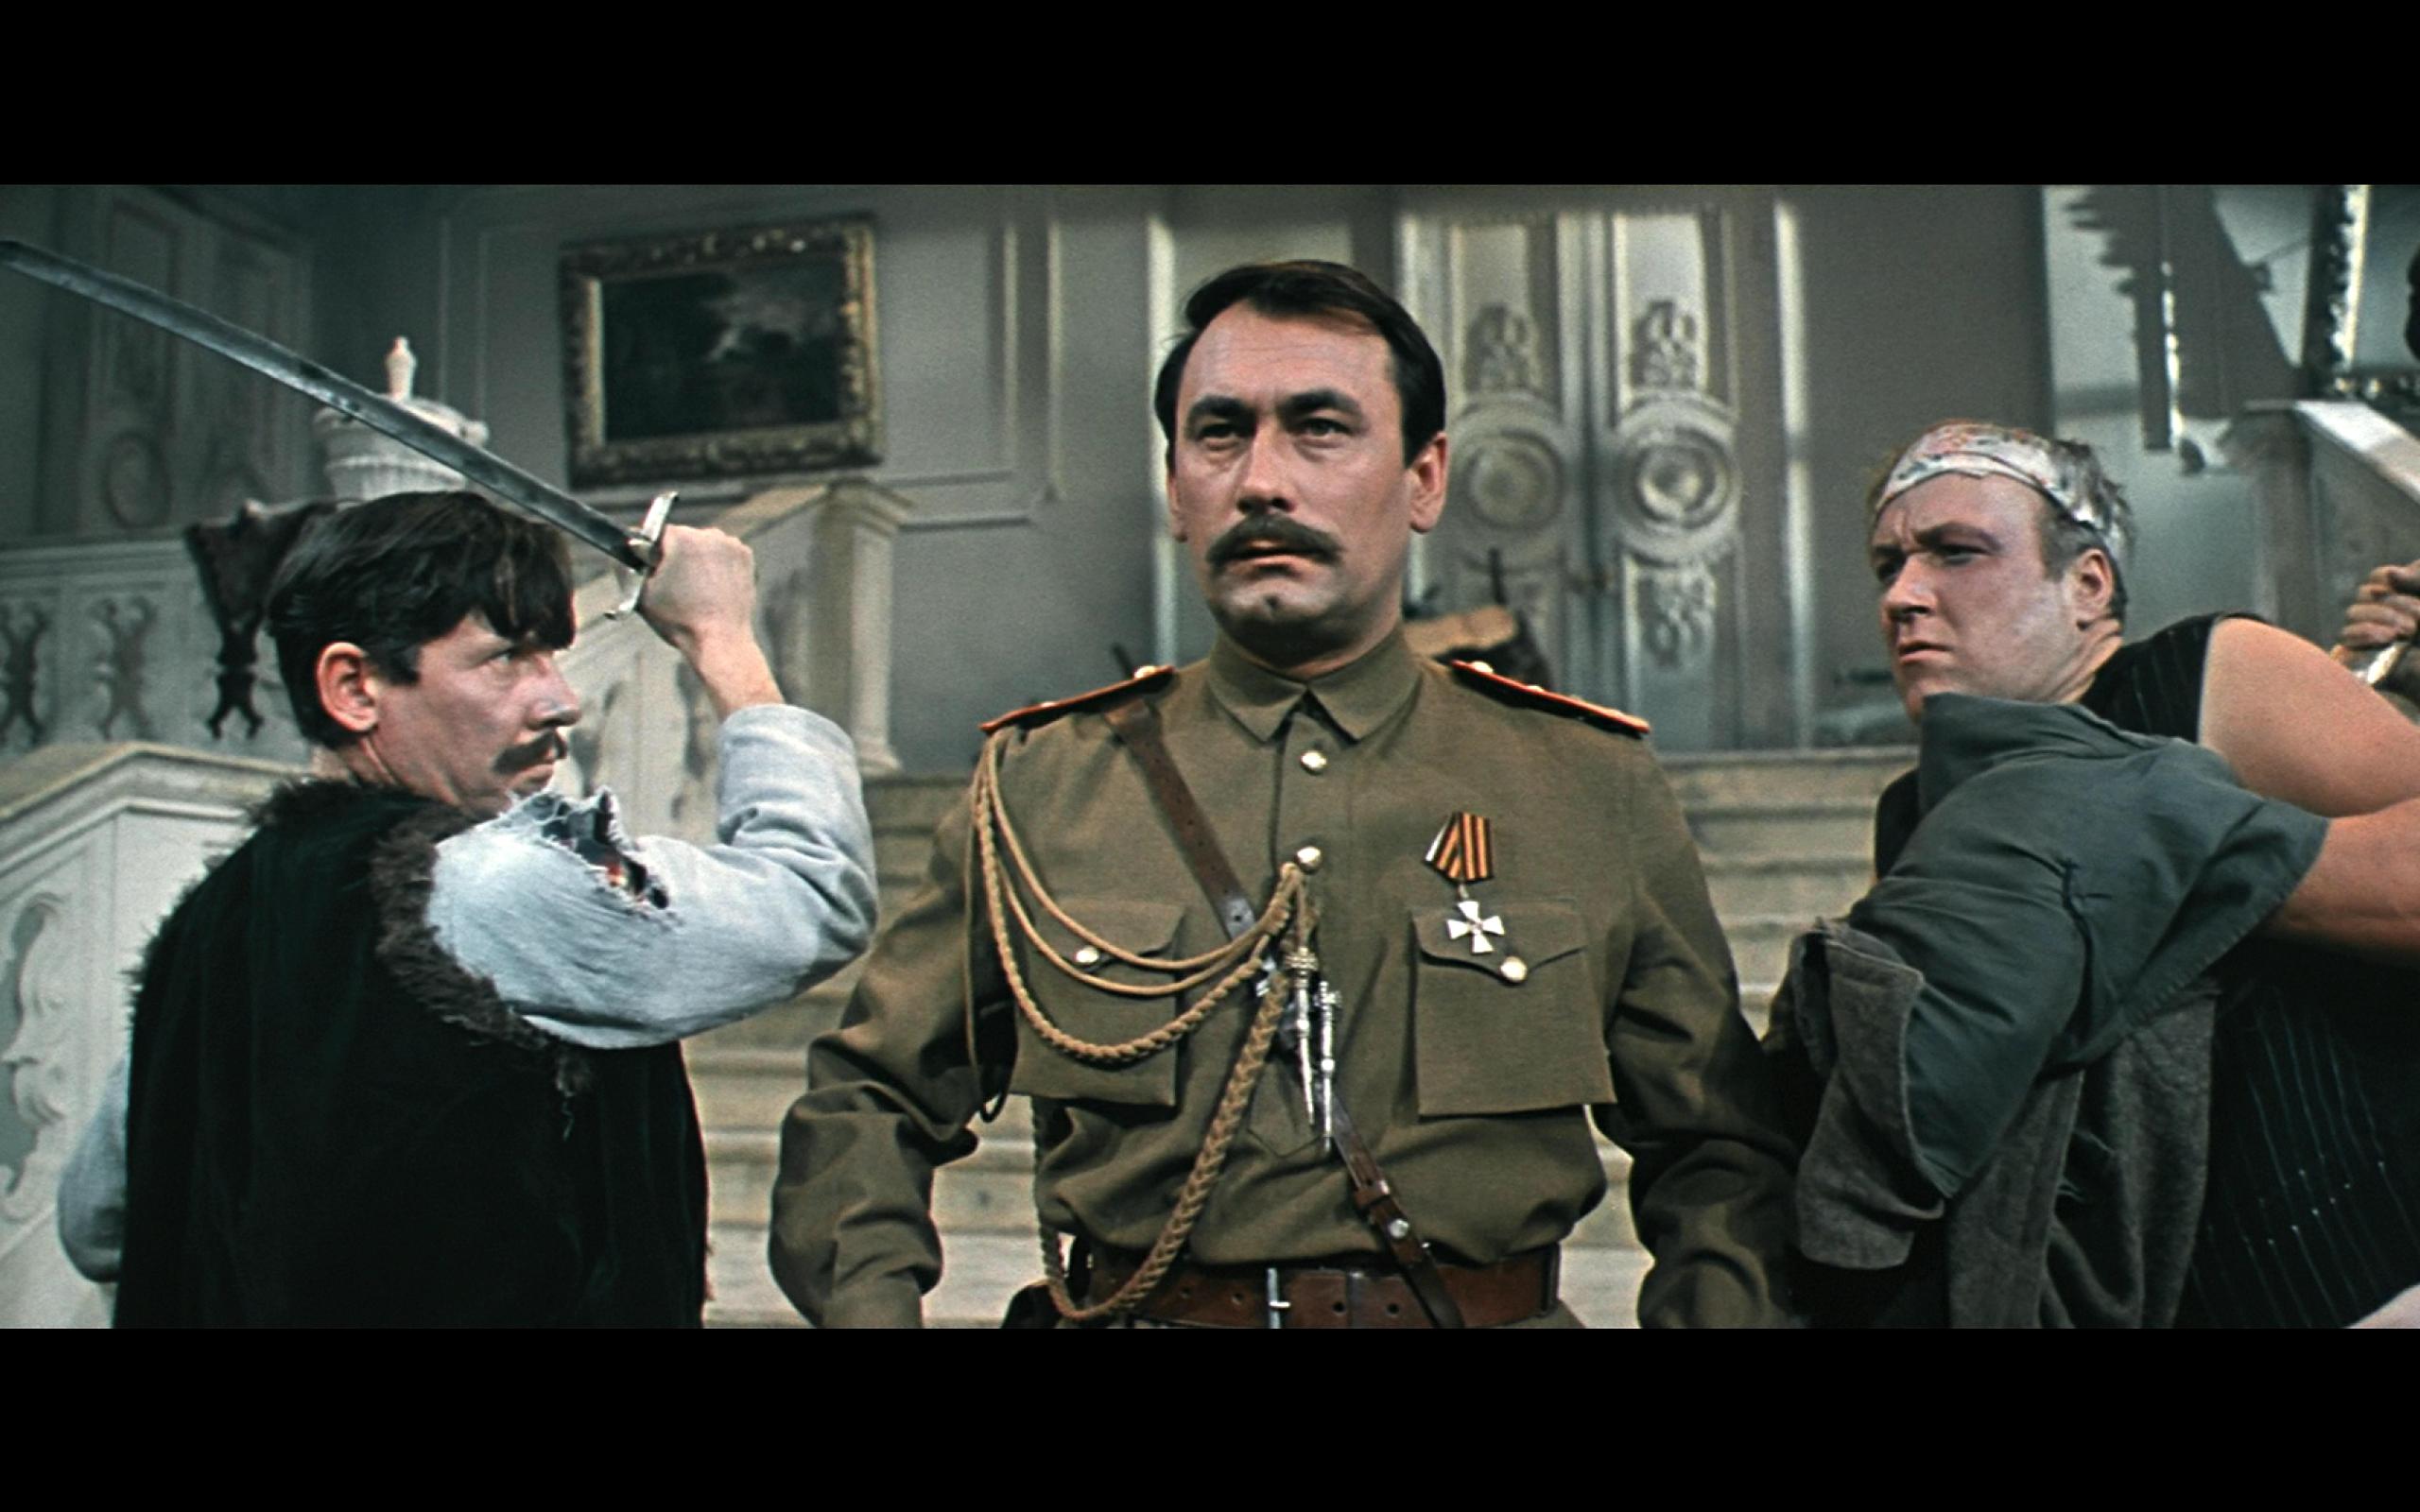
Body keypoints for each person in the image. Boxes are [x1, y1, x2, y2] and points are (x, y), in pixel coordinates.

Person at [769, 261, 1794, 1329]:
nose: (1262, 480)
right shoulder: (1045, 785)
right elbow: (868, 1101)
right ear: (1177, 489)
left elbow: (1720, 1154)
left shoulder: (1582, 784)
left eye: (1320, 429)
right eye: (1219, 434)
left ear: (1425, 477)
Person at [55, 490, 878, 1327]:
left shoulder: (209, 916)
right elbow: (814, 893)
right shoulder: (491, 882)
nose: (561, 699)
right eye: (507, 658)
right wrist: (722, 638)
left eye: (552, 655)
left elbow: (97, 1221)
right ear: (353, 688)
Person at [1773, 420, 2420, 1326]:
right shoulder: (1923, 805)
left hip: (2357, 1267)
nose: (1904, 597)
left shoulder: (2208, 673)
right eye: (1889, 566)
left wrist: (2162, 849)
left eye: (1956, 553)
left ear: (2087, 585)